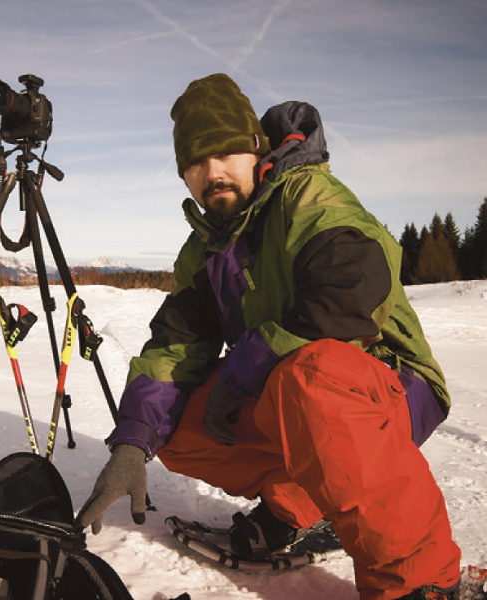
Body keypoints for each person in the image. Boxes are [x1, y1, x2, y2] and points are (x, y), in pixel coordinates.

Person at [76, 74, 461, 600]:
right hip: (300, 393)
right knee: (179, 423)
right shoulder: (206, 251)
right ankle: (296, 508)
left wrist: (246, 366)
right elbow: (174, 349)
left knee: (311, 378)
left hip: (388, 385)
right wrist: (131, 443)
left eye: (225, 153)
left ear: (255, 149)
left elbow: (351, 294)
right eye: (194, 163)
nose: (211, 173)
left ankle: (424, 582)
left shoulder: (308, 196)